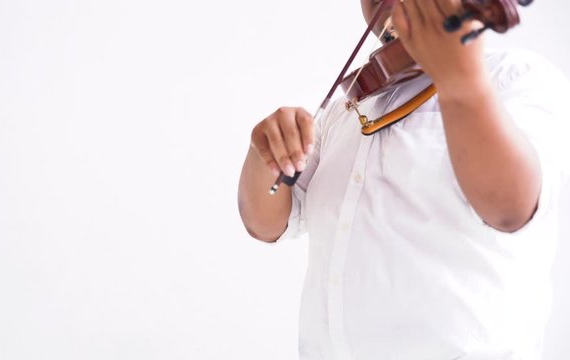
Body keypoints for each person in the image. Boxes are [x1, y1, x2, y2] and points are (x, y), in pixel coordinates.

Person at [238, 0, 568, 359]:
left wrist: (461, 81)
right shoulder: (350, 107)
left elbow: (510, 207)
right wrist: (265, 155)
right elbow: (267, 224)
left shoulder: (517, 78)